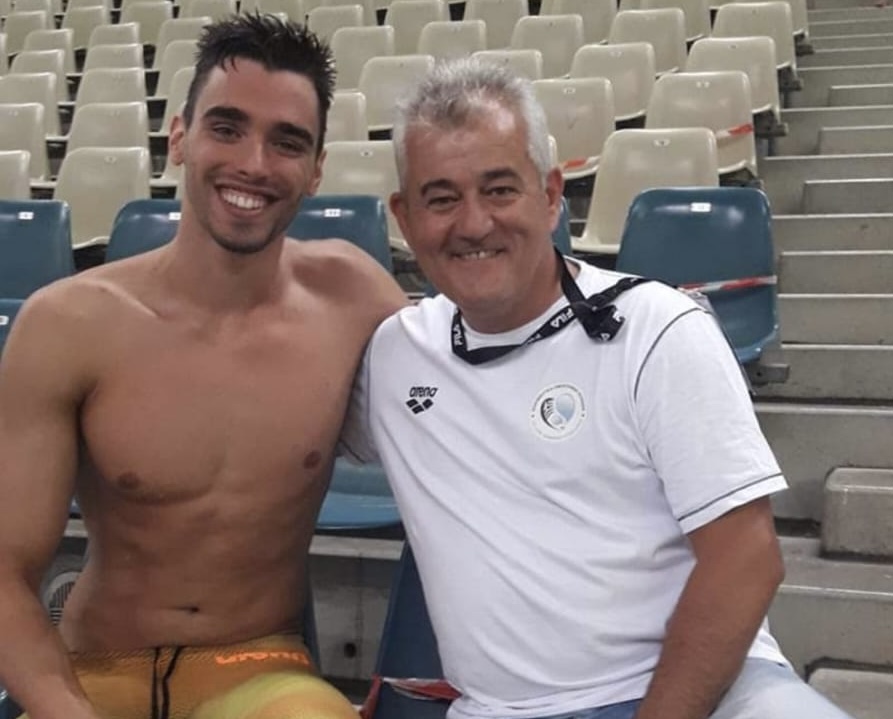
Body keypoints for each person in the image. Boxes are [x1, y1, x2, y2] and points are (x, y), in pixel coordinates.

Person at [340, 58, 853, 719]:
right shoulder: (395, 355)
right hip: (503, 709)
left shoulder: (657, 328)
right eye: (441, 199)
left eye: (499, 190)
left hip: (707, 693)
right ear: (404, 219)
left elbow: (746, 559)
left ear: (551, 194)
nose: (473, 223)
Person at [0, 15, 406, 719]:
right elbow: (5, 569)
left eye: (286, 142)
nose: (254, 163)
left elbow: (478, 387)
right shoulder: (68, 323)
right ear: (179, 137)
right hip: (94, 671)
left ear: (316, 169)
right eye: (227, 128)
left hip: (260, 670)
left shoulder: (353, 297)